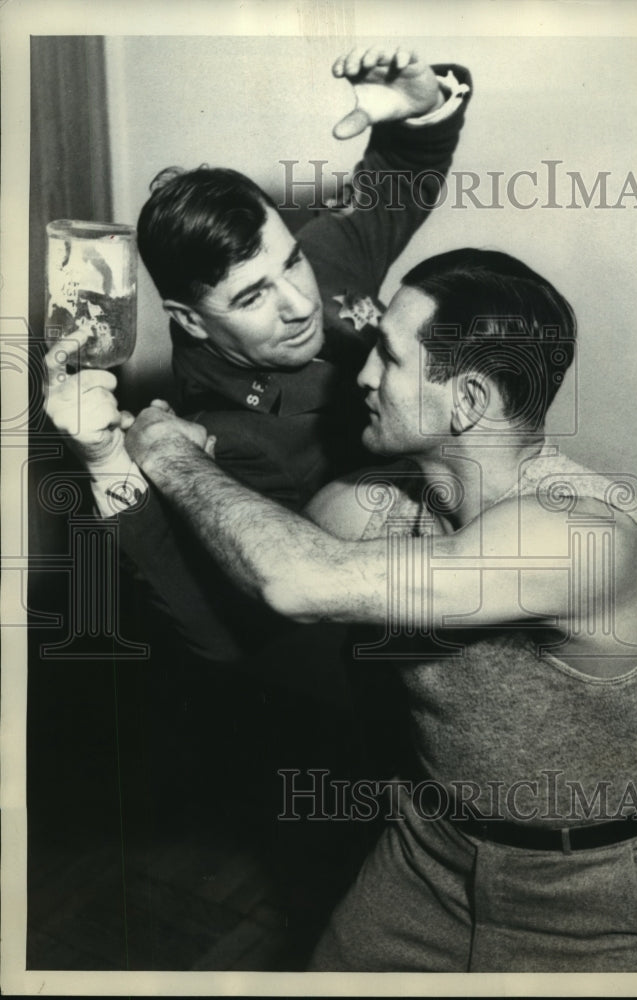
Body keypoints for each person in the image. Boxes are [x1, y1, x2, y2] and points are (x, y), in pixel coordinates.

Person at [48, 247, 637, 972]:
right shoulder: (375, 508)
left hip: (599, 903)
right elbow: (229, 620)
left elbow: (297, 580)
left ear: (465, 402)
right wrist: (108, 460)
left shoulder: (578, 534)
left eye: (389, 360)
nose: (361, 376)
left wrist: (175, 461)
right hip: (425, 857)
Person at [100, 46, 473, 665]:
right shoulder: (227, 441)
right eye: (251, 297)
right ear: (191, 320)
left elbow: (398, 179)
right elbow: (238, 628)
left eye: (290, 261)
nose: (300, 303)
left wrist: (419, 110)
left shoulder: (319, 261)